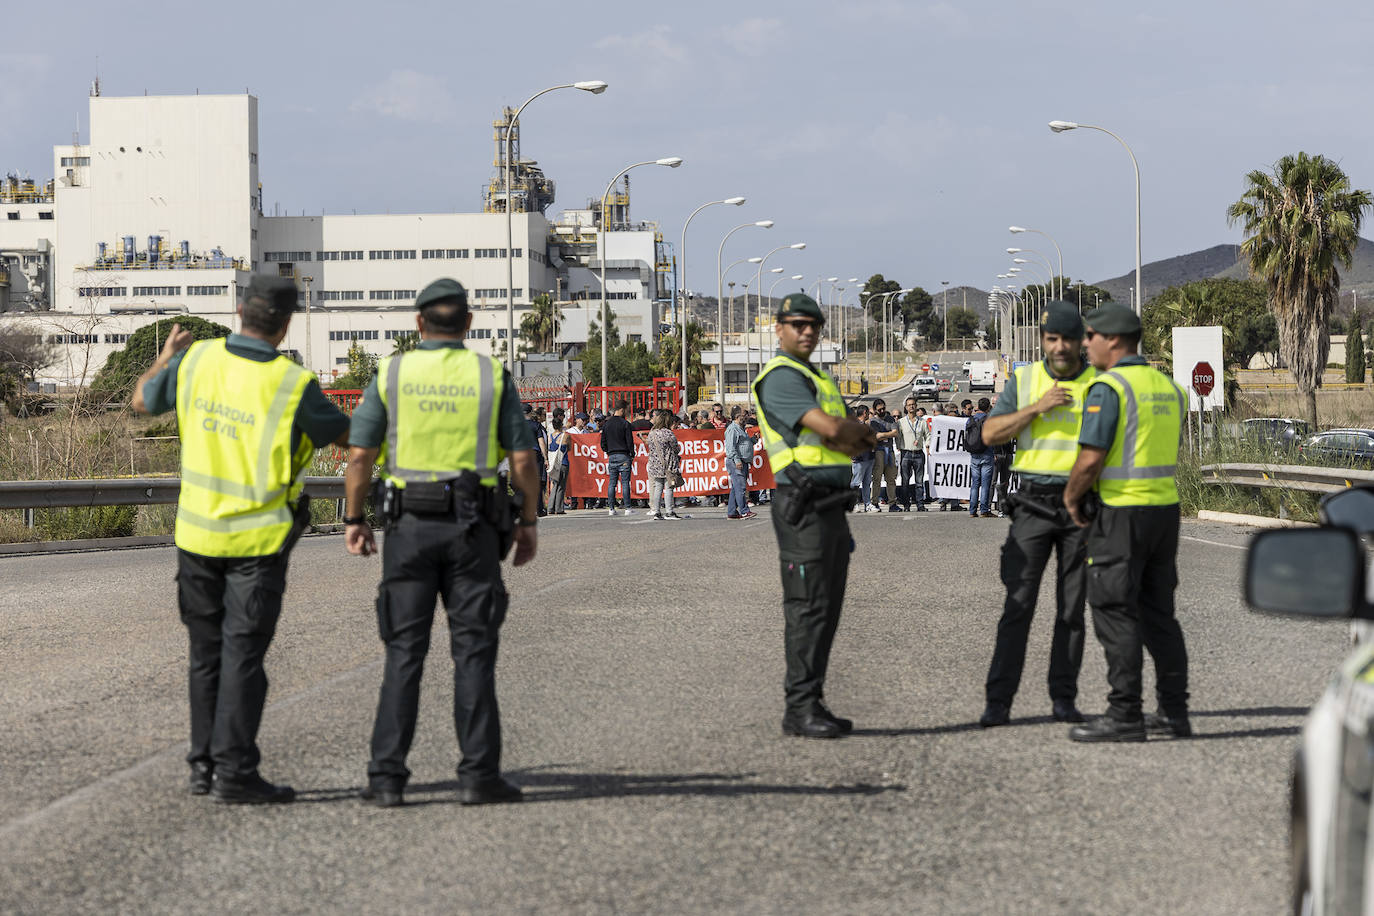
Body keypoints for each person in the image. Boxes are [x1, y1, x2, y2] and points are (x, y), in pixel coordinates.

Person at [131, 275, 350, 804]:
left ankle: (202, 767)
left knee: (206, 656)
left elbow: (141, 401)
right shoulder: (292, 383)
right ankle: (236, 772)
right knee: (243, 658)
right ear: (287, 323)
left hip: (196, 538)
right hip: (257, 546)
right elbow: (347, 437)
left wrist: (165, 356)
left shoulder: (197, 360)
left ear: (237, 310)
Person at [343, 278, 539, 807]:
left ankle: (386, 780)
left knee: (403, 653)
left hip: (407, 530)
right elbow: (522, 461)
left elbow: (360, 456)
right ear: (468, 324)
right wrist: (527, 522)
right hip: (473, 531)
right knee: (472, 653)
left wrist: (355, 517)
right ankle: (478, 776)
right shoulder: (490, 375)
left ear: (419, 323)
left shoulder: (393, 371)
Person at [1064, 302, 1190, 743]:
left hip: (1121, 513)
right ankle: (1174, 713)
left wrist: (1072, 497)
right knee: (1160, 615)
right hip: (1165, 511)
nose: (1085, 343)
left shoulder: (1110, 388)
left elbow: (1091, 458)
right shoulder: (1171, 388)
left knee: (1115, 610)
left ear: (1113, 340)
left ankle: (1125, 715)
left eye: (1091, 335)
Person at [752, 293, 877, 739]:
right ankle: (799, 707)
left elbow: (847, 439)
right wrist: (859, 432)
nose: (807, 331)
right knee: (807, 607)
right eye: (798, 324)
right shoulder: (782, 376)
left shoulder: (817, 378)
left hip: (829, 505)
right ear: (780, 328)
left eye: (814, 325)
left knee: (827, 608)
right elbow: (832, 430)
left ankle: (813, 700)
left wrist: (852, 434)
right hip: (802, 504)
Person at [976, 301, 1096, 728]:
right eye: (1051, 339)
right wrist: (1036, 408)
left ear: (1082, 340)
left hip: (1082, 505)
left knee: (1071, 609)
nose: (1059, 347)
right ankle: (998, 702)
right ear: (1043, 341)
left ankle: (1063, 699)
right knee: (1018, 604)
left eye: (1067, 338)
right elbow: (989, 433)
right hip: (1033, 503)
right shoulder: (1026, 380)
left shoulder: (1101, 382)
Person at [645, 409, 681, 520]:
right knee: (669, 488)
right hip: (668, 465)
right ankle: (669, 511)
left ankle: (656, 511)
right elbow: (676, 448)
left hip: (655, 465)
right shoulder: (668, 433)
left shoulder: (652, 433)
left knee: (657, 488)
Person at [601, 399, 635, 516]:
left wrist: (608, 451)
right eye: (626, 410)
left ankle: (611, 508)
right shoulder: (625, 424)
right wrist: (632, 454)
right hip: (624, 455)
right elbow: (630, 442)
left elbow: (603, 443)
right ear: (621, 410)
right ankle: (627, 508)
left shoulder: (606, 424)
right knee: (625, 483)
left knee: (612, 483)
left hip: (612, 455)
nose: (627, 412)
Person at [897, 396, 929, 511]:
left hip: (919, 454)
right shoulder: (901, 422)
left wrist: (928, 445)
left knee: (919, 481)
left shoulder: (922, 422)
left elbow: (927, 435)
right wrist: (898, 446)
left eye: (913, 404)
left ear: (916, 406)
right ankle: (906, 504)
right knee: (905, 481)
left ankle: (920, 504)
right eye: (909, 405)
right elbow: (898, 436)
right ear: (906, 407)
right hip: (906, 454)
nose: (911, 406)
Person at [869, 398, 901, 511]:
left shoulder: (890, 419)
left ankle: (892, 503)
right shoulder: (873, 421)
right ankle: (874, 502)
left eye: (883, 408)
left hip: (890, 451)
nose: (882, 411)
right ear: (874, 410)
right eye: (879, 409)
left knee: (891, 479)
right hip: (879, 451)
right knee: (877, 478)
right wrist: (889, 434)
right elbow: (876, 436)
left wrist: (883, 435)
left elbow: (895, 433)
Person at [966, 397, 995, 518]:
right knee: (985, 483)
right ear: (988, 407)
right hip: (987, 453)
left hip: (974, 454)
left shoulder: (970, 419)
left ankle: (972, 510)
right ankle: (984, 510)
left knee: (975, 483)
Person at [725, 405, 756, 519]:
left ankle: (732, 512)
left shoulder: (741, 429)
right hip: (736, 462)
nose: (747, 416)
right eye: (744, 414)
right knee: (740, 487)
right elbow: (730, 448)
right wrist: (737, 460)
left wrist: (752, 440)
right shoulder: (732, 429)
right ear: (738, 416)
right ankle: (744, 511)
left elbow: (742, 445)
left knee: (736, 488)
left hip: (743, 462)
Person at [524, 403, 549, 517]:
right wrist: (545, 457)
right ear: (530, 413)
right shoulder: (536, 425)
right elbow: (541, 442)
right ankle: (539, 509)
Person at [849, 404, 875, 512]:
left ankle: (867, 504)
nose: (869, 415)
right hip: (859, 459)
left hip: (868, 457)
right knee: (856, 482)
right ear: (864, 413)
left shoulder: (865, 425)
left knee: (867, 482)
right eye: (868, 413)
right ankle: (854, 503)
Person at [547, 414, 569, 515]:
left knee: (555, 484)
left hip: (553, 464)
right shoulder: (565, 436)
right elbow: (569, 448)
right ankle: (559, 508)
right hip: (563, 462)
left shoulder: (550, 436)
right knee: (561, 486)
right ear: (561, 425)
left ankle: (550, 507)